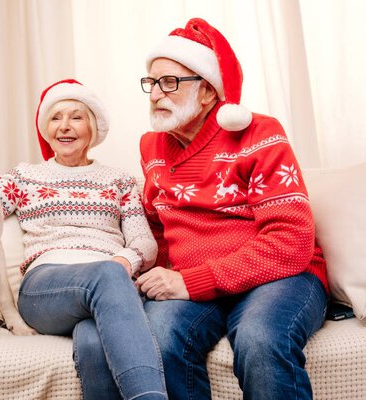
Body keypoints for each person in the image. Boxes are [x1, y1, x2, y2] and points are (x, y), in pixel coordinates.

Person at [135, 18, 329, 400]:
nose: (156, 93)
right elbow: (157, 228)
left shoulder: (259, 133)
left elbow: (292, 242)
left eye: (169, 82)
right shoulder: (151, 147)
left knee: (260, 337)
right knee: (157, 338)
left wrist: (193, 281)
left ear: (208, 91)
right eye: (151, 82)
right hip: (195, 282)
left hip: (281, 277)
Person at [0, 79, 167, 400]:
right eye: (56, 117)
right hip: (46, 290)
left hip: (109, 285)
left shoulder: (119, 181)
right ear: (46, 129)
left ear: (93, 127)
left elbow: (144, 243)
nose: (65, 127)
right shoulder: (24, 176)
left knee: (92, 340)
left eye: (76, 117)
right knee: (108, 275)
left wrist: (123, 261)